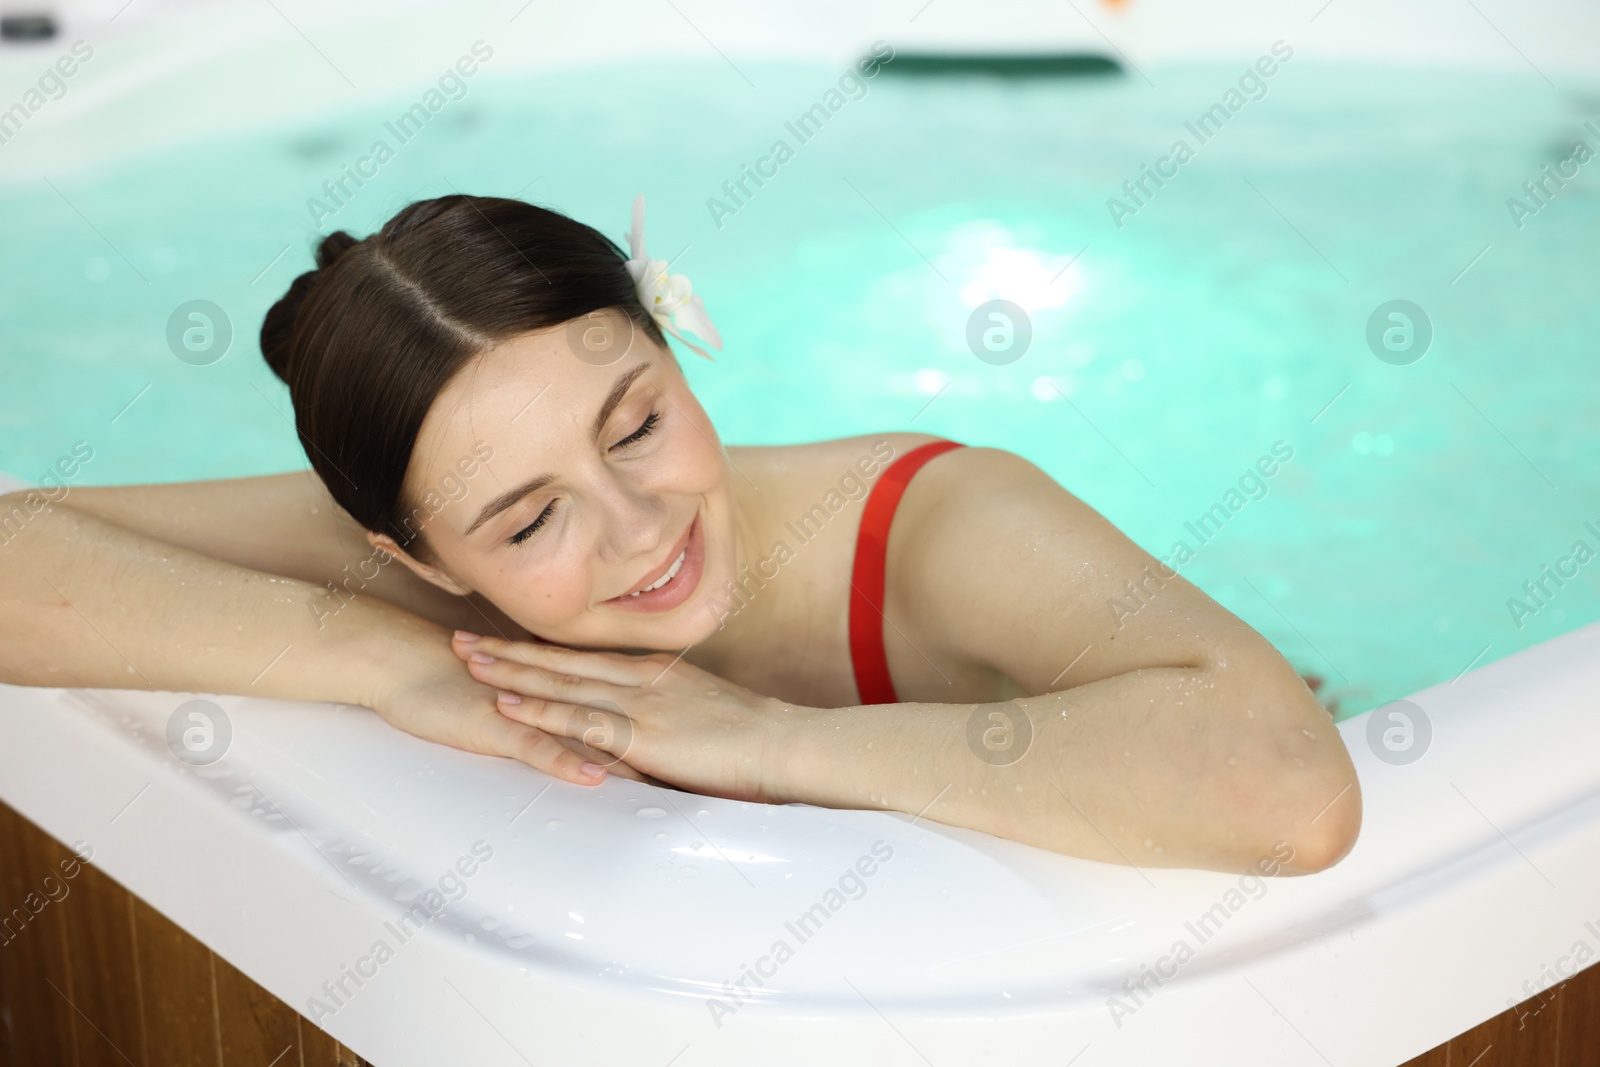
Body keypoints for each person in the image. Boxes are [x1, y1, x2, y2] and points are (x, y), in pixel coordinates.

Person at [0, 194, 1360, 873]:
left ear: (670, 344)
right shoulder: (408, 566)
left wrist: (765, 741)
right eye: (530, 520)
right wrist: (385, 664)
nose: (640, 526)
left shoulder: (938, 524)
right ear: (415, 560)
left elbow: (1289, 794)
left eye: (635, 423)